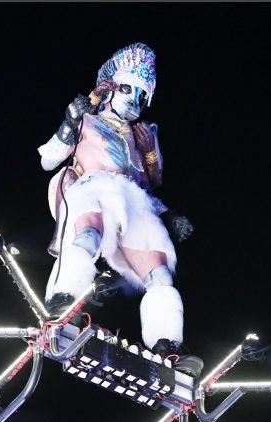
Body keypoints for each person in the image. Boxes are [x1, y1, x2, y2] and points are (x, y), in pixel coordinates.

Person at [37, 43, 202, 377]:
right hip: (94, 189)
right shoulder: (87, 120)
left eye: (143, 96)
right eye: (130, 90)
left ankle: (167, 346)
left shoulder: (141, 137)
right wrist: (70, 121)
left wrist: (169, 214)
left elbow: (148, 182)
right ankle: (63, 300)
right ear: (113, 88)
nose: (136, 101)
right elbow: (48, 159)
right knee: (86, 236)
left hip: (133, 203)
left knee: (159, 273)